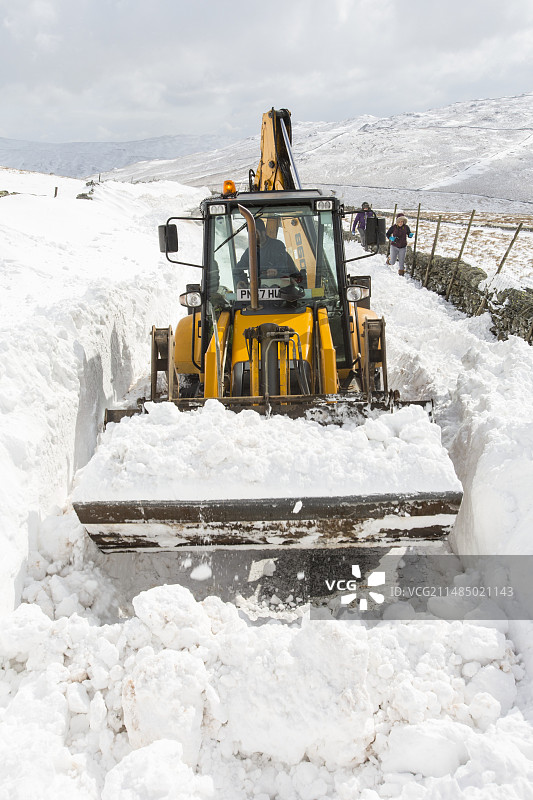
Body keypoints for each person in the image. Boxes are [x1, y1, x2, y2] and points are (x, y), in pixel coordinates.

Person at [233, 218, 297, 287]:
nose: (253, 237)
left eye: (255, 233)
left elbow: (282, 262)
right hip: (258, 291)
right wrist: (241, 281)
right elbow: (237, 270)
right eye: (250, 234)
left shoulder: (277, 246)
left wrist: (275, 269)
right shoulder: (250, 252)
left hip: (281, 287)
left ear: (263, 232)